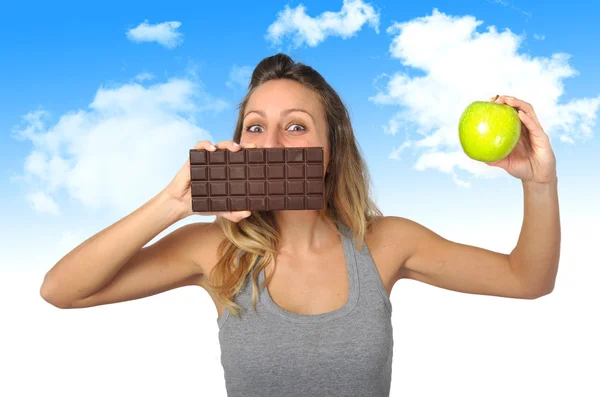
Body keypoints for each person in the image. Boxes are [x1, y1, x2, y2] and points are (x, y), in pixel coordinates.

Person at [40, 53, 561, 396]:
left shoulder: (384, 243)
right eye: (255, 127)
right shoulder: (214, 251)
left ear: (330, 151)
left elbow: (527, 279)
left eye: (295, 126)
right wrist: (171, 205)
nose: (270, 144)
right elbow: (61, 290)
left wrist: (538, 183)